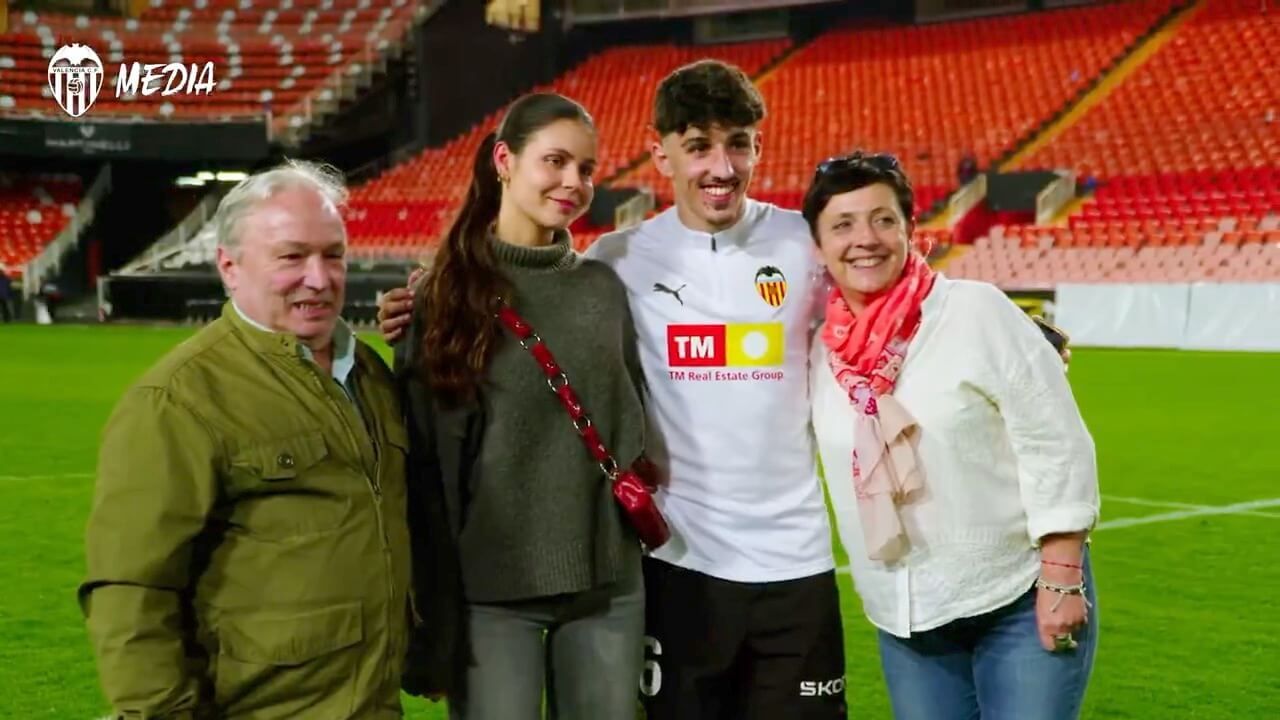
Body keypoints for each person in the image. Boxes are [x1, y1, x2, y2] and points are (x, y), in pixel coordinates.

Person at [382, 60, 845, 720]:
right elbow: (429, 453)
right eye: (698, 146)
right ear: (660, 154)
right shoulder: (617, 261)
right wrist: (417, 305)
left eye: (738, 144)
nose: (721, 166)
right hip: (662, 564)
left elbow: (884, 290)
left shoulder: (801, 244)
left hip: (723, 565)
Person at [78, 160, 414, 719]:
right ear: (229, 268)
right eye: (291, 257)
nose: (319, 278)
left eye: (333, 255)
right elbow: (132, 589)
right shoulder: (177, 399)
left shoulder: (370, 375)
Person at [804, 151, 1100, 720]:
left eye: (883, 219)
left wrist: (1062, 577)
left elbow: (1055, 441)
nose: (865, 239)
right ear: (818, 245)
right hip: (907, 618)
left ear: (911, 229)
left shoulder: (975, 311)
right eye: (842, 225)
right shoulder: (816, 349)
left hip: (1016, 597)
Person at [395, 92, 648, 720]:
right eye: (555, 161)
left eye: (586, 169)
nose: (573, 182)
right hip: (489, 592)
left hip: (607, 584)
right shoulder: (443, 296)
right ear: (505, 161)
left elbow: (634, 421)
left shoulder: (604, 288)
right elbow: (423, 462)